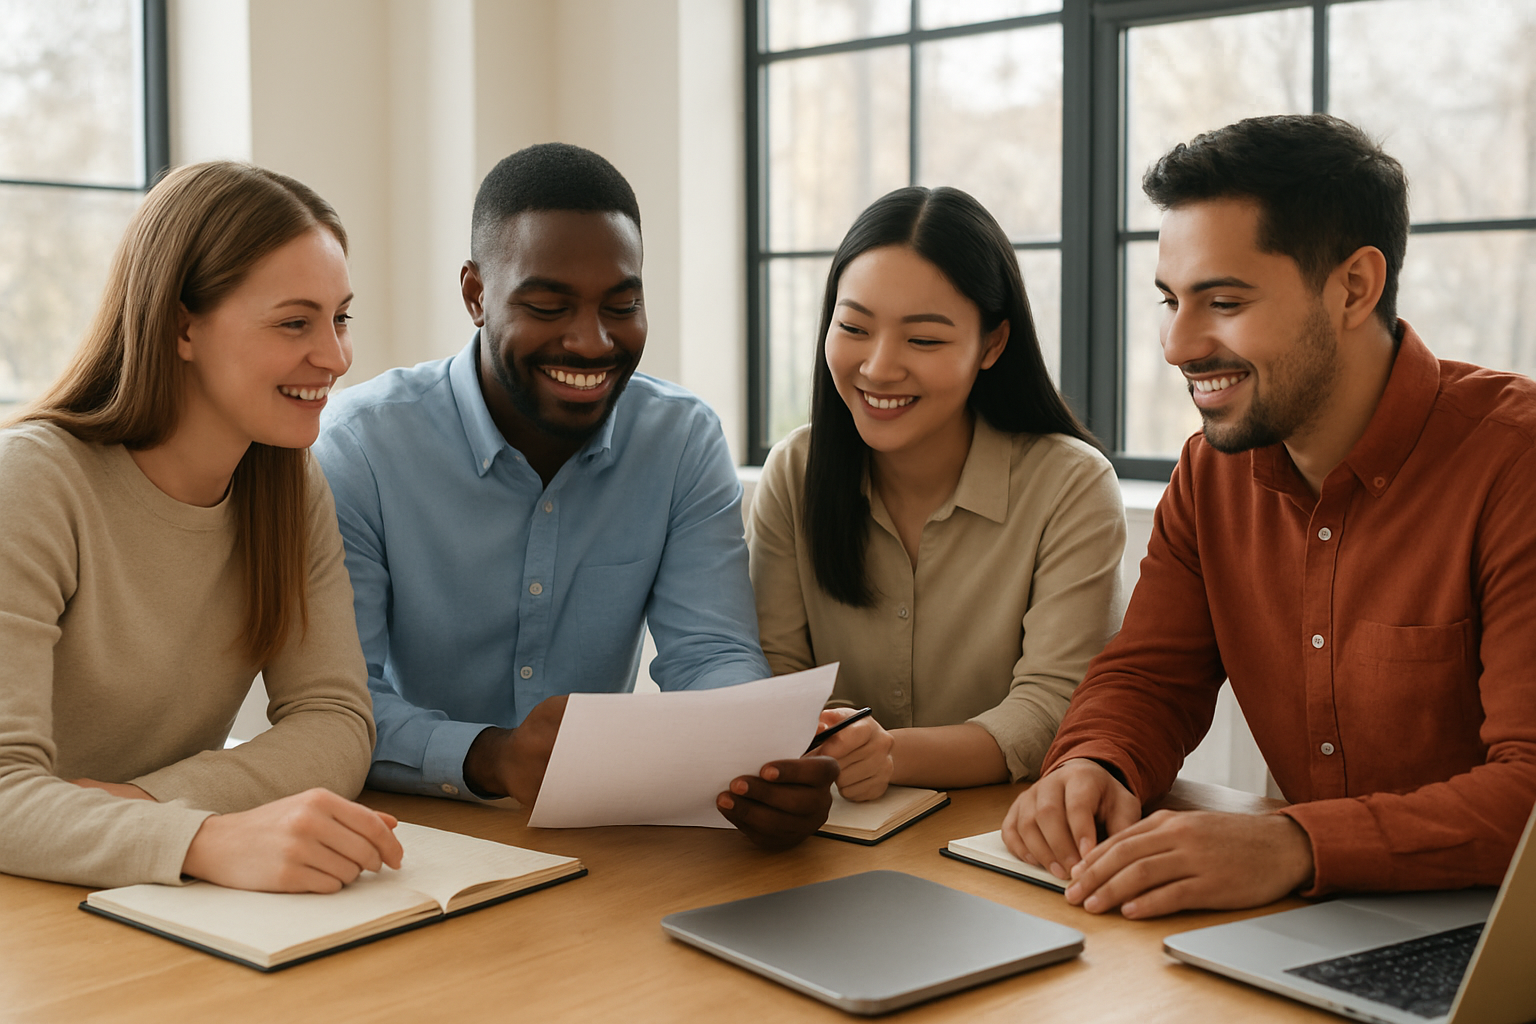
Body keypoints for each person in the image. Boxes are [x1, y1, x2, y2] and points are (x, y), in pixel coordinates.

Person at [1001, 113, 1536, 918]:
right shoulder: (1208, 475)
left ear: (1355, 286)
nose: (1178, 344)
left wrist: (1296, 844)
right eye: (1169, 300)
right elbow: (1150, 677)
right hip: (1322, 920)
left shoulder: (1515, 463)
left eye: (1222, 300)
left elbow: (1528, 790)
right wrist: (1095, 765)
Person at [313, 143, 836, 849]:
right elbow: (335, 704)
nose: (592, 342)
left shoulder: (680, 440)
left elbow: (709, 651)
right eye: (549, 305)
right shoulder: (362, 447)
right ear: (476, 294)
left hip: (601, 843)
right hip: (405, 838)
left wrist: (757, 757)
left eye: (622, 304)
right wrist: (490, 755)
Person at [0, 161, 403, 890]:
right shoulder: (31, 482)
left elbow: (337, 720)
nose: (337, 357)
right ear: (184, 327)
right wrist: (204, 841)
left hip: (132, 892)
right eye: (294, 322)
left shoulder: (288, 484)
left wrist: (157, 807)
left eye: (339, 318)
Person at [748, 186, 1126, 802]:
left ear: (993, 345)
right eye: (854, 327)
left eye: (923, 340)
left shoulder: (1071, 485)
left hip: (997, 832)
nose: (878, 367)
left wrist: (889, 754)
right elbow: (774, 674)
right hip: (829, 828)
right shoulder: (796, 469)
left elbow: (1053, 705)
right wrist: (834, 740)